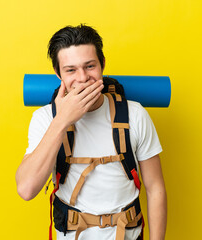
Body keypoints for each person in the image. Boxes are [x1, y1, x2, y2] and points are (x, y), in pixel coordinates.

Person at [15, 24, 167, 240]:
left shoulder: (135, 115)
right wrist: (62, 120)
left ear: (102, 65)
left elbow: (155, 188)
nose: (83, 78)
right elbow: (26, 189)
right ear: (59, 74)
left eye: (90, 66)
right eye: (71, 70)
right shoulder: (45, 118)